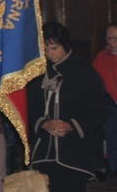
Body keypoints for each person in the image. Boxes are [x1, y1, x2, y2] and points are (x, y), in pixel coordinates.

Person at [27, 21, 107, 192]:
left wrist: (70, 125)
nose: (50, 54)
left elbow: (99, 110)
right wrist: (43, 124)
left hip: (75, 152)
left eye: (54, 48)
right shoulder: (38, 72)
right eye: (45, 50)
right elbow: (30, 108)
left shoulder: (84, 71)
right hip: (44, 152)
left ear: (65, 45)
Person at [93, 23, 117, 174]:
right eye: (108, 39)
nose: (111, 43)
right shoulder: (102, 57)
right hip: (110, 106)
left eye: (115, 39)